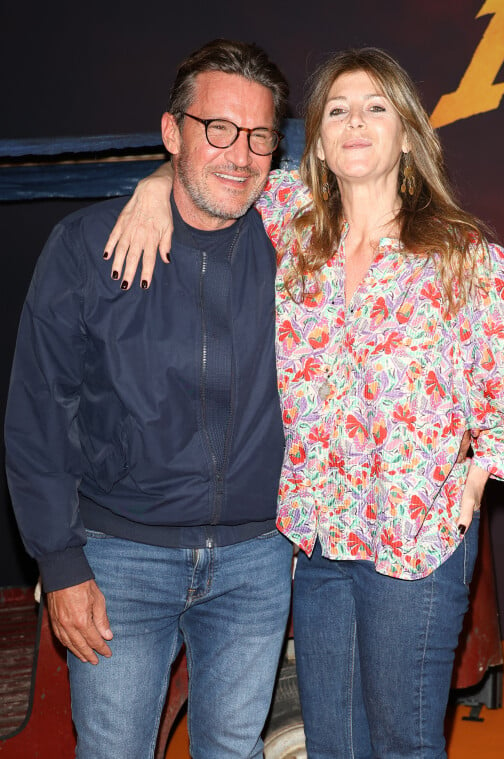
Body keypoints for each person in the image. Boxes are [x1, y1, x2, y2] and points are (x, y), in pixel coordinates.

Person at [104, 48, 504, 758]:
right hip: (319, 542)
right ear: (318, 140)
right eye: (338, 110)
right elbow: (217, 176)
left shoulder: (460, 256)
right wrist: (152, 184)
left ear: (409, 135)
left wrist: (483, 470)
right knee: (331, 744)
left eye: (376, 108)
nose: (356, 122)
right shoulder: (291, 226)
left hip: (413, 542)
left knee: (403, 743)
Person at [4, 40, 295, 759]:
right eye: (217, 129)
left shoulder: (299, 244)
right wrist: (61, 565)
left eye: (259, 136)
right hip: (120, 561)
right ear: (173, 133)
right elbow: (38, 414)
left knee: (234, 748)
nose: (239, 153)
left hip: (258, 560)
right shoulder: (87, 247)